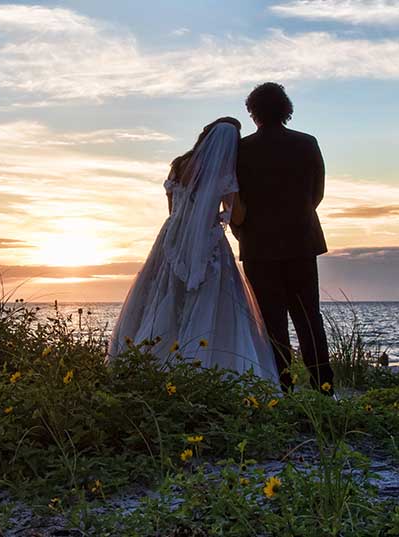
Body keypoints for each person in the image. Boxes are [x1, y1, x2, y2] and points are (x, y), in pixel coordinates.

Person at [108, 118, 278, 383]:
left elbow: (172, 209)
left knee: (165, 295)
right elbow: (239, 216)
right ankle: (201, 367)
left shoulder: (178, 165)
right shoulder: (224, 174)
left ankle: (148, 364)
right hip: (206, 242)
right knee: (208, 300)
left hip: (171, 239)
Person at [234, 82, 334, 393]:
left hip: (258, 247)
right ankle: (324, 387)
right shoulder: (307, 143)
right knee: (308, 318)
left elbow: (237, 199)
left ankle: (282, 387)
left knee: (271, 323)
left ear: (253, 113)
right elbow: (316, 193)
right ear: (286, 109)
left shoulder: (242, 150)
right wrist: (297, 217)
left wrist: (245, 231)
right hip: (301, 242)